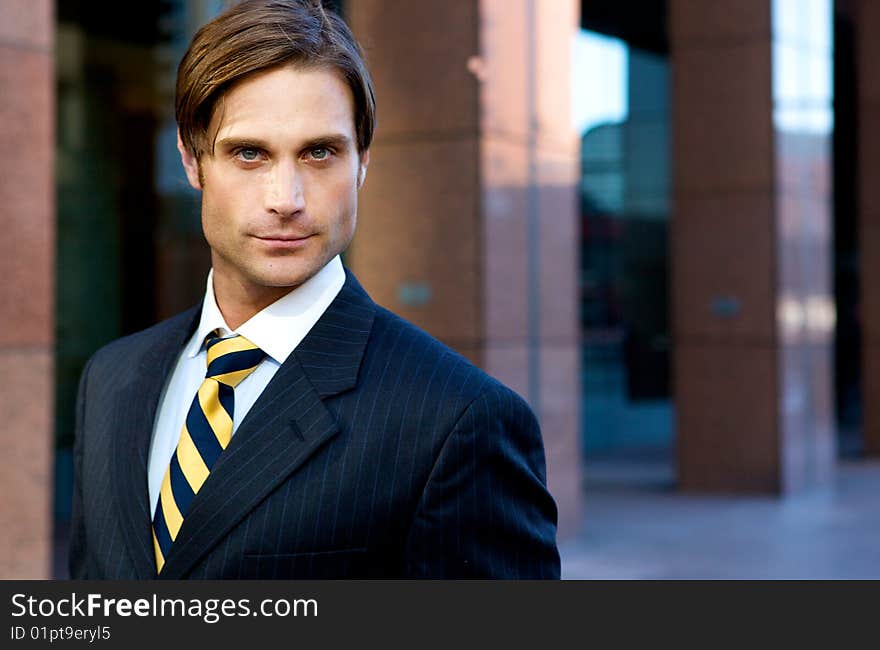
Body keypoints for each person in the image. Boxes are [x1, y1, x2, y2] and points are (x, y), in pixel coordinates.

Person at [69, 0, 560, 579]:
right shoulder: (111, 378)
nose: (287, 198)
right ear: (192, 161)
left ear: (362, 164)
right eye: (249, 153)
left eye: (319, 152)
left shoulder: (460, 419)